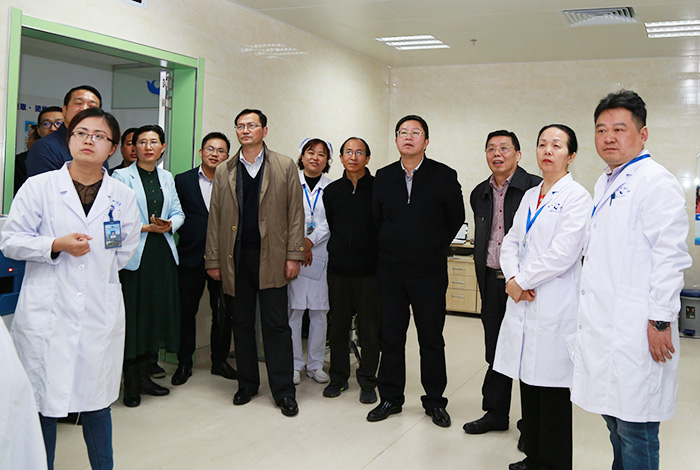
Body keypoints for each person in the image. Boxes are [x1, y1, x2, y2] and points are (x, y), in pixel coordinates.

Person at [0, 107, 141, 469]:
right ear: (69, 139)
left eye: (99, 136)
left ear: (112, 148)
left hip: (97, 311)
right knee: (42, 404)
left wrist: (92, 271)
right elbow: (10, 241)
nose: (89, 141)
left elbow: (124, 251)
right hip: (46, 311)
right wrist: (54, 245)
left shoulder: (122, 196)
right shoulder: (40, 187)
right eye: (81, 133)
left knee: (96, 404)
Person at [571, 90, 692, 470]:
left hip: (639, 328)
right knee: (615, 422)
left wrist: (661, 321)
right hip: (608, 325)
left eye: (619, 129)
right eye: (601, 129)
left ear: (643, 134)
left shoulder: (656, 182)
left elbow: (670, 257)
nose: (608, 137)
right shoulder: (606, 181)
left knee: (636, 429)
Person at [494, 125, 591, 470]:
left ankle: (554, 464)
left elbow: (563, 253)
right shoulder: (530, 195)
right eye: (542, 144)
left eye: (557, 145)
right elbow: (510, 241)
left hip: (553, 303)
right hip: (523, 299)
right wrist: (513, 279)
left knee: (552, 392)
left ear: (571, 155)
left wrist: (522, 280)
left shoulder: (577, 197)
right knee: (529, 384)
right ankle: (533, 457)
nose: (548, 150)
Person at [205, 109, 305, 417]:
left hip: (273, 256)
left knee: (276, 325)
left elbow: (295, 213)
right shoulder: (224, 169)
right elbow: (215, 217)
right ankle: (247, 384)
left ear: (264, 130)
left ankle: (283, 391)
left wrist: (293, 255)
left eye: (252, 125)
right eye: (241, 126)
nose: (246, 130)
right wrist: (213, 259)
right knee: (242, 323)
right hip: (235, 258)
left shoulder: (284, 165)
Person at [368, 115, 464, 427]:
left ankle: (435, 401)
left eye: (416, 132)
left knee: (431, 339)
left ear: (426, 141)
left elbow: (456, 218)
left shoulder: (444, 175)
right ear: (396, 139)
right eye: (403, 132)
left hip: (429, 272)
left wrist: (431, 245)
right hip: (390, 272)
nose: (408, 137)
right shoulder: (383, 176)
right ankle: (390, 398)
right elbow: (376, 219)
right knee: (391, 338)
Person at [465, 131, 541, 439]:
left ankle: (531, 426)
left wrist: (525, 279)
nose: (497, 154)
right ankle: (495, 413)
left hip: (525, 286)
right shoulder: (479, 192)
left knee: (528, 353)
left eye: (504, 148)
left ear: (518, 155)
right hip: (491, 281)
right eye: (491, 149)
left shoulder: (535, 188)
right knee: (496, 350)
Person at [113, 124, 185, 407]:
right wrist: (145, 227)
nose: (147, 147)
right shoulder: (120, 176)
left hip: (162, 255)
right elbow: (114, 219)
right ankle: (130, 384)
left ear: (162, 147)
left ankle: (145, 378)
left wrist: (169, 225)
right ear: (134, 147)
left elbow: (178, 212)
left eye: (154, 142)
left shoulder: (167, 177)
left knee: (154, 316)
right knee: (135, 319)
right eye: (142, 142)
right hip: (135, 257)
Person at [171, 132, 236, 386]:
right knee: (186, 312)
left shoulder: (233, 181)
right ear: (201, 152)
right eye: (210, 149)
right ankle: (184, 362)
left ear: (227, 156)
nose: (214, 154)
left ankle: (219, 361)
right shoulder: (182, 180)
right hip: (191, 256)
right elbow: (176, 212)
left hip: (223, 258)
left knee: (223, 312)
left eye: (220, 151)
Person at [322, 137, 380, 404]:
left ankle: (368, 380)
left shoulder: (379, 189)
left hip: (370, 272)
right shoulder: (332, 191)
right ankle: (338, 378)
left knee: (370, 331)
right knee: (337, 328)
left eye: (359, 152)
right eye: (348, 152)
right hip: (338, 271)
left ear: (367, 158)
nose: (353, 157)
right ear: (341, 158)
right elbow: (331, 225)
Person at [288, 138, 333, 385]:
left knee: (319, 313)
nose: (315, 157)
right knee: (293, 312)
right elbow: (284, 217)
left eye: (321, 154)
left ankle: (315, 364)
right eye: (310, 152)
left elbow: (330, 221)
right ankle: (294, 364)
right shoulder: (289, 182)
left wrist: (310, 242)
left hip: (321, 255)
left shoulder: (332, 187)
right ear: (302, 156)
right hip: (294, 255)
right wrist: (299, 245)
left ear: (327, 161)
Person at [26, 85, 102, 177]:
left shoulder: (99, 147)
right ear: (64, 110)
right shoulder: (44, 148)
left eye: (92, 106)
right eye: (78, 103)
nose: (84, 109)